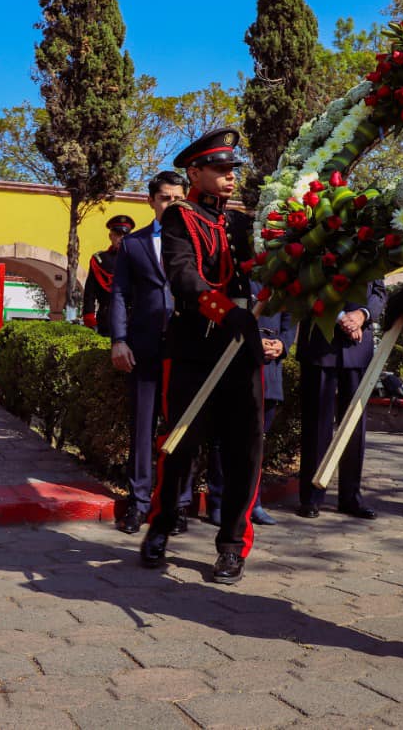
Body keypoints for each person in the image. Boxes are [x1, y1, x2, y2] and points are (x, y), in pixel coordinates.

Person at [138, 127, 266, 585]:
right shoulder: (179, 218)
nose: (231, 177)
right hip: (196, 346)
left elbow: (261, 270)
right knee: (179, 447)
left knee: (244, 451)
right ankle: (161, 524)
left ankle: (232, 545)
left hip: (241, 350)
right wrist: (228, 311)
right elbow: (185, 278)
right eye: (221, 169)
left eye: (234, 169)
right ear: (195, 171)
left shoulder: (242, 222)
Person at [110, 171, 190, 533]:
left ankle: (179, 503)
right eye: (164, 198)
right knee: (142, 428)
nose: (170, 204)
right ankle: (140, 502)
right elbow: (120, 295)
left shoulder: (195, 242)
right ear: (151, 201)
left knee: (182, 428)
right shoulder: (133, 244)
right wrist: (119, 339)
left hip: (188, 348)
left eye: (177, 199)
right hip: (144, 347)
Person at [206, 278, 295, 527]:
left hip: (269, 370)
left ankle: (252, 502)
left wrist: (282, 345)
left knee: (256, 442)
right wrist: (253, 339)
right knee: (223, 439)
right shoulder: (234, 274)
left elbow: (290, 321)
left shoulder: (282, 278)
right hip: (235, 361)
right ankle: (218, 500)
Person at [294, 281, 386, 520]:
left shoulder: (373, 244)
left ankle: (350, 497)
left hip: (358, 345)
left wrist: (361, 315)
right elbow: (305, 284)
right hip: (320, 341)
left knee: (354, 428)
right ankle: (311, 496)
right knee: (317, 424)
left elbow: (378, 292)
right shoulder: (315, 242)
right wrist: (341, 317)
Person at [82, 214, 134, 334]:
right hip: (106, 317)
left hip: (132, 317)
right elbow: (90, 292)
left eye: (125, 235)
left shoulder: (137, 258)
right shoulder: (100, 260)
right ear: (110, 236)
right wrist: (89, 317)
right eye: (117, 234)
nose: (121, 238)